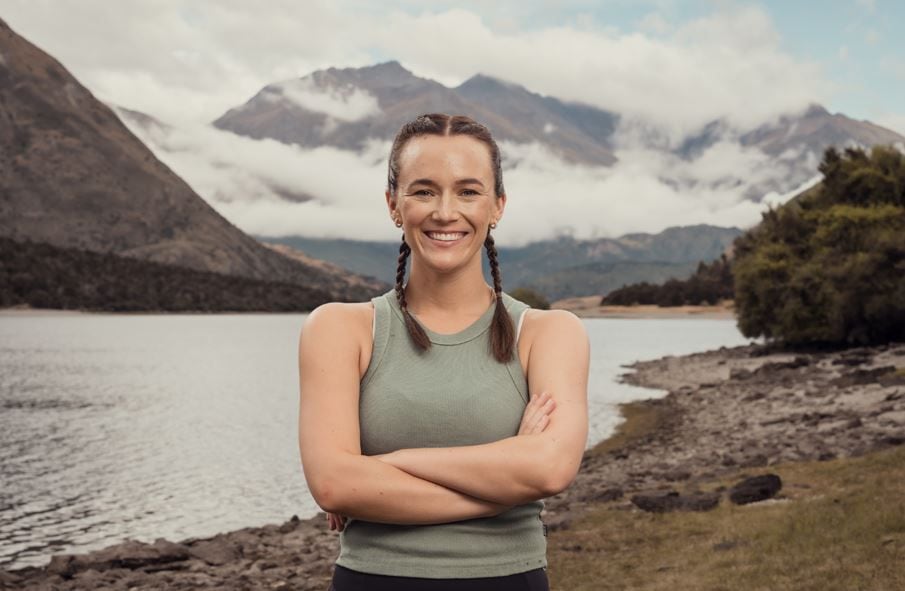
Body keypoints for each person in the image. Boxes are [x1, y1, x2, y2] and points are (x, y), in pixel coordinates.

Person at [297, 113, 590, 590]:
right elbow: (333, 484)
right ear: (394, 205)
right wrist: (503, 487)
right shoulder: (338, 328)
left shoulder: (550, 333)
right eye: (424, 190)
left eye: (468, 191)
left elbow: (551, 468)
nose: (445, 212)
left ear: (497, 206)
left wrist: (384, 465)